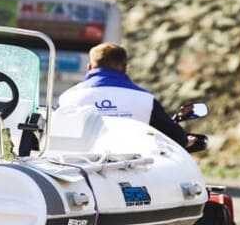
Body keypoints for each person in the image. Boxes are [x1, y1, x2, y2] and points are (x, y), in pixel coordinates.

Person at [57, 42, 195, 149]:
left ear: (89, 67)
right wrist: (186, 139)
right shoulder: (145, 99)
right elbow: (176, 137)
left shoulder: (69, 98)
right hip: (133, 168)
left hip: (82, 168)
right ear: (124, 68)